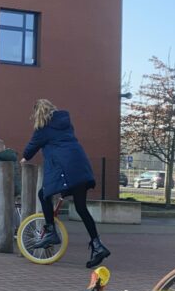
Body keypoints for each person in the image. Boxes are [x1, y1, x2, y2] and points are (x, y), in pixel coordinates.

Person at [22, 99, 110, 268]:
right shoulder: (66, 124)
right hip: (81, 167)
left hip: (66, 170)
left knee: (43, 194)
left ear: (38, 113)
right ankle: (97, 245)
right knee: (81, 208)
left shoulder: (43, 128)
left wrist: (24, 158)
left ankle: (50, 231)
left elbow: (31, 148)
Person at [0, 138, 21, 231]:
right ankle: (16, 228)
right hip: (15, 186)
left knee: (5, 209)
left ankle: (6, 231)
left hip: (6, 187)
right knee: (12, 208)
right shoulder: (11, 156)